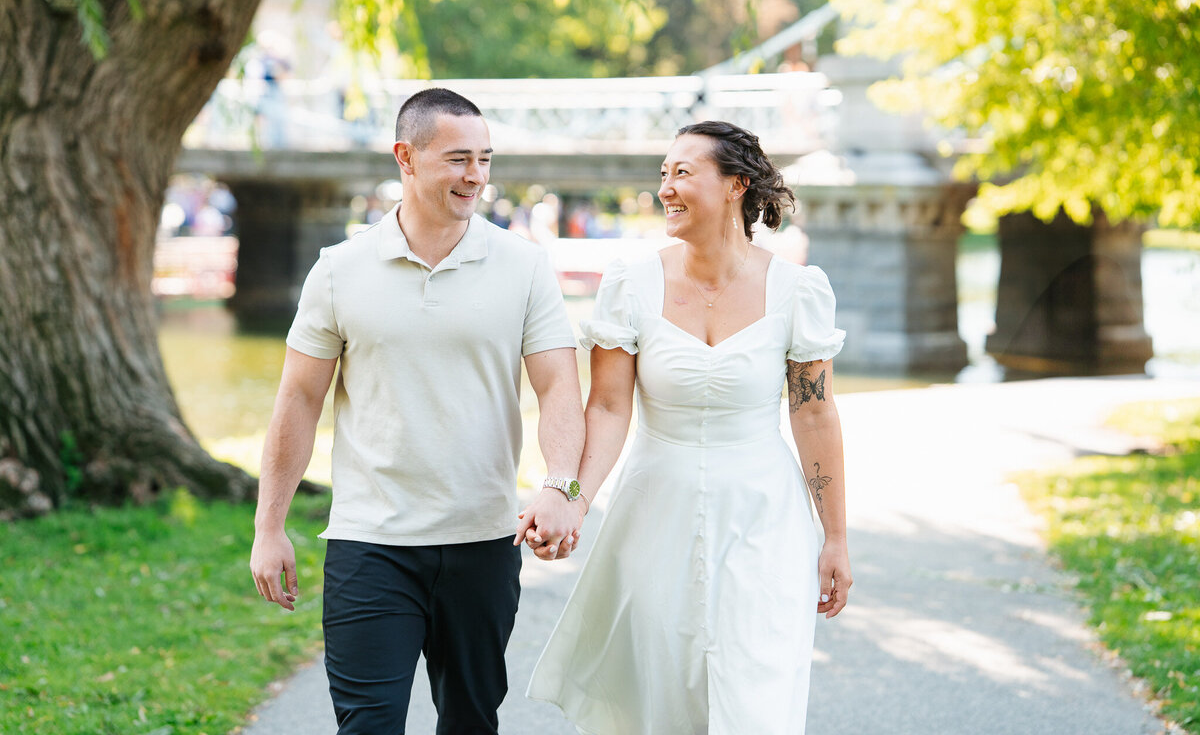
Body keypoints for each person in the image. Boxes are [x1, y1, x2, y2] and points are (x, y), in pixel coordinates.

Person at [249, 88, 586, 735]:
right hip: (370, 545)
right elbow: (298, 400)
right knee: (367, 727)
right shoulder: (339, 271)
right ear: (406, 157)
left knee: (469, 722)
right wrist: (271, 526)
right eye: (459, 159)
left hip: (484, 542)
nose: (477, 176)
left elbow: (560, 391)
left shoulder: (523, 266)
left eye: (485, 159)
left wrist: (559, 485)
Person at [525, 120, 852, 734]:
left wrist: (834, 537)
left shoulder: (796, 290)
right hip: (655, 514)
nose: (666, 189)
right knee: (663, 697)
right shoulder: (629, 283)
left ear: (737, 186)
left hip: (764, 517)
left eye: (683, 172)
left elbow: (812, 412)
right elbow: (609, 407)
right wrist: (572, 497)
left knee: (755, 695)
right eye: (663, 174)